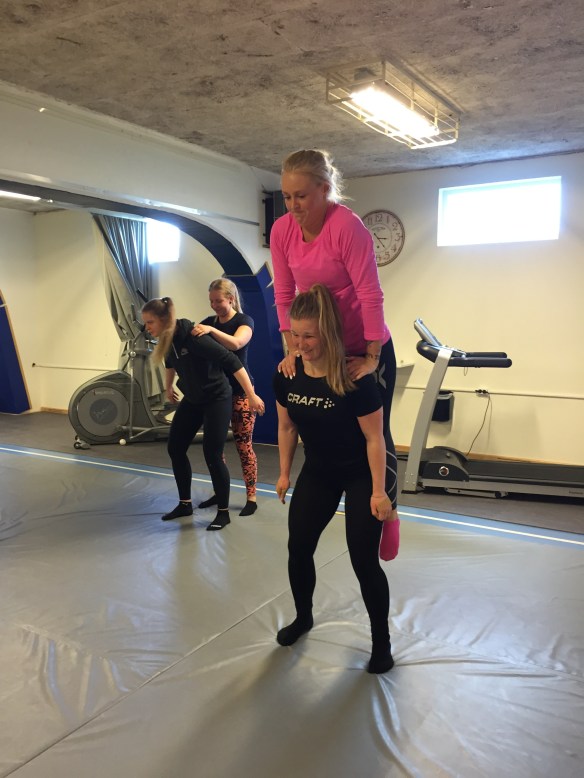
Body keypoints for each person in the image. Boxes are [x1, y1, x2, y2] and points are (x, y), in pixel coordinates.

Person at [270, 148, 399, 520]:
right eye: (287, 197)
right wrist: (292, 347)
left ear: (324, 189)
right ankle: (328, 490)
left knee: (375, 430)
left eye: (301, 196)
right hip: (323, 347)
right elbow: (284, 294)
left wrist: (372, 356)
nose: (293, 205)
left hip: (362, 345)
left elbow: (370, 293)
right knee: (330, 427)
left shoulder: (346, 227)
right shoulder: (282, 230)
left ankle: (387, 510)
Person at [273, 284, 395, 674]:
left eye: (309, 336)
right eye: (295, 335)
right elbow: (286, 427)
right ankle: (303, 616)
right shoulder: (287, 375)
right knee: (298, 548)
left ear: (327, 332)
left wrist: (379, 492)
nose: (301, 344)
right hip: (319, 471)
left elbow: (375, 439)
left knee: (363, 561)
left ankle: (381, 643)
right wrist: (284, 473)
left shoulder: (355, 378)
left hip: (360, 474)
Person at [141, 297, 264, 531]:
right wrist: (168, 387)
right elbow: (170, 363)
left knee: (212, 454)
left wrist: (251, 394)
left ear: (164, 319)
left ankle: (223, 513)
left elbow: (232, 361)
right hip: (194, 398)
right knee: (175, 448)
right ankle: (185, 504)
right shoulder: (168, 339)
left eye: (150, 322)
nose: (147, 327)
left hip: (217, 398)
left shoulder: (193, 337)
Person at [192, 278, 259, 517]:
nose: (214, 305)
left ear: (230, 299)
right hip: (218, 394)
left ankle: (251, 496)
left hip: (241, 392)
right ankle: (220, 492)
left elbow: (237, 343)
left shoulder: (244, 321)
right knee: (215, 448)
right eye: (211, 301)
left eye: (218, 301)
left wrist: (211, 330)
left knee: (244, 445)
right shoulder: (208, 322)